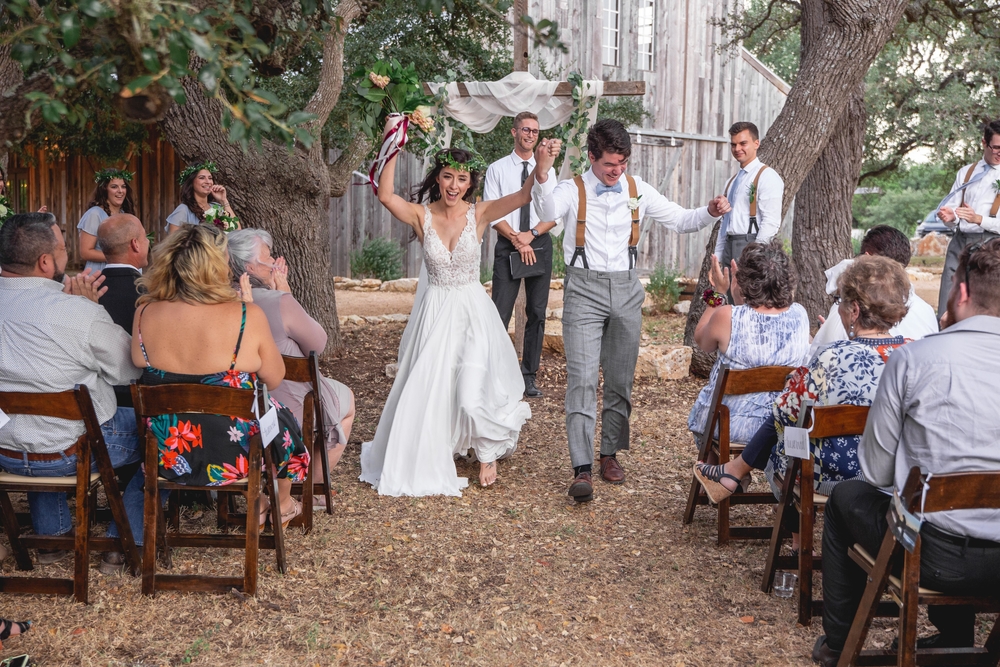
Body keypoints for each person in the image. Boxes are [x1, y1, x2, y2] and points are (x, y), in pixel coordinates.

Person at [812, 239, 1000, 667]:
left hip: (932, 556)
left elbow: (876, 471)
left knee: (846, 498)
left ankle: (840, 643)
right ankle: (960, 640)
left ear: (963, 292)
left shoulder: (915, 359)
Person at [360, 117, 560, 495]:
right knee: (432, 388)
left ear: (471, 184)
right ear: (439, 177)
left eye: (462, 179)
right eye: (448, 176)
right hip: (435, 313)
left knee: (471, 391)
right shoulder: (422, 215)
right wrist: (393, 144)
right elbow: (385, 196)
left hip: (471, 313)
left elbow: (521, 197)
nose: (454, 185)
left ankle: (487, 449)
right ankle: (444, 446)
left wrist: (542, 166)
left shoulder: (479, 213)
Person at [534, 118, 731, 502]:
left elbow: (680, 219)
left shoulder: (637, 188)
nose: (617, 171)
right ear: (592, 157)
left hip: (626, 288)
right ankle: (582, 467)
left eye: (622, 164)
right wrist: (542, 173)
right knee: (583, 379)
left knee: (621, 380)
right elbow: (546, 210)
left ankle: (609, 453)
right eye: (610, 164)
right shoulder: (570, 189)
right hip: (584, 288)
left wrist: (709, 210)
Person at [694, 257, 909, 554]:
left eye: (841, 303)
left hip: (832, 477)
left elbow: (785, 411)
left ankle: (795, 539)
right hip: (897, 476)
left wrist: (799, 381)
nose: (840, 310)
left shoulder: (831, 358)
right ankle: (737, 475)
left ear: (855, 310)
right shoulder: (915, 356)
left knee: (789, 439)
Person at [133, 224, 308, 527]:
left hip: (168, 454)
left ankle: (272, 501)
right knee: (277, 417)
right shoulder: (244, 315)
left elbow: (137, 362)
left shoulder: (144, 313)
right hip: (236, 455)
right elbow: (275, 378)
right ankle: (282, 502)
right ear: (216, 266)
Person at [0, 212, 142, 571]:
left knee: (34, 423)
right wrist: (93, 309)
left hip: (5, 450)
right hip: (72, 450)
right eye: (64, 249)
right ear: (45, 262)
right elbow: (128, 369)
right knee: (164, 434)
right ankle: (119, 540)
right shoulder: (74, 311)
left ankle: (53, 540)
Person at [227, 228, 356, 485]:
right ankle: (313, 486)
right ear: (250, 267)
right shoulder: (279, 302)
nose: (275, 262)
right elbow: (318, 345)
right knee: (347, 400)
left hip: (232, 407)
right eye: (269, 256)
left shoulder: (217, 301)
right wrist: (285, 293)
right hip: (286, 405)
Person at [688, 242, 811, 484]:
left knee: (709, 409)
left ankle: (722, 471)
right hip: (780, 425)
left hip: (730, 426)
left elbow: (702, 341)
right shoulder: (800, 315)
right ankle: (726, 473)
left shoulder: (728, 316)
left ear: (743, 280)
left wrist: (718, 296)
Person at [484, 111, 558, 399]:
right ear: (514, 132)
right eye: (525, 130)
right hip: (508, 244)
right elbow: (490, 212)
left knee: (537, 314)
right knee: (499, 313)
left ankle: (528, 376)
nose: (530, 134)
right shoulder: (497, 169)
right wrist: (517, 238)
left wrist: (531, 236)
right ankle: (495, 374)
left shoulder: (548, 171)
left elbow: (554, 214)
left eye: (535, 131)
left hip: (539, 243)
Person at [810, 225, 936, 356]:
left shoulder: (845, 311)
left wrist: (830, 332)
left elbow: (814, 363)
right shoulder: (927, 311)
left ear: (866, 259)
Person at [935, 119, 1000, 317]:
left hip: (993, 246)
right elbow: (954, 210)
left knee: (987, 303)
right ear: (984, 143)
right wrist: (950, 216)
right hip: (960, 242)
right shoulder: (966, 172)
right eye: (996, 147)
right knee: (948, 299)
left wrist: (979, 219)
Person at [715, 122, 784, 270]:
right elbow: (724, 223)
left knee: (748, 293)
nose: (737, 149)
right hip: (729, 245)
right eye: (733, 145)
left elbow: (771, 222)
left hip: (751, 245)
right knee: (727, 293)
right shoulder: (731, 182)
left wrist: (755, 256)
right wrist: (717, 257)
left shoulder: (767, 176)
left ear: (756, 143)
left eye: (743, 143)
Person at [77, 167, 137, 273]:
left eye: (123, 187)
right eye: (114, 187)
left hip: (123, 271)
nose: (120, 191)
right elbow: (85, 252)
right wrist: (119, 258)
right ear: (104, 189)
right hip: (100, 272)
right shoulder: (95, 214)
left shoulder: (124, 214)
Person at [165, 160, 238, 234]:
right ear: (191, 182)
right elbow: (174, 242)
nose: (208, 182)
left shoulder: (217, 208)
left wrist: (223, 200)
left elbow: (238, 232)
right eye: (202, 178)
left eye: (210, 178)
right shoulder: (183, 210)